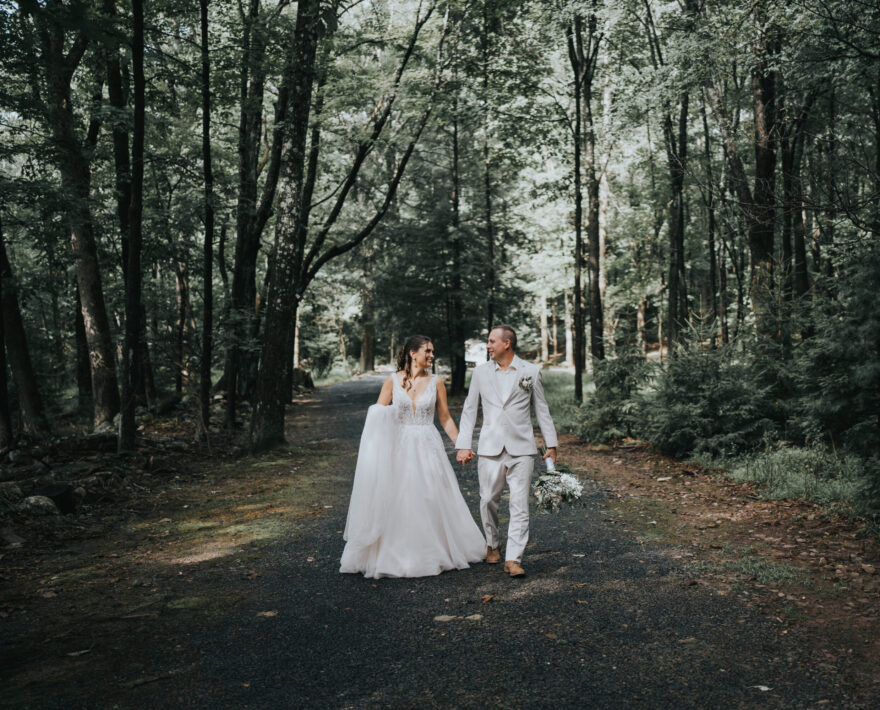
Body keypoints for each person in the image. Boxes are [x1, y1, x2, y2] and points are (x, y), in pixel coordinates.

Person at [340, 335, 486, 579]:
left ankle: (433, 550)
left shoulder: (436, 382)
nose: (431, 355)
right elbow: (377, 417)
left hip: (428, 444)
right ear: (412, 353)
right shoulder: (392, 381)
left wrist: (461, 445)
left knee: (430, 495)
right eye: (427, 351)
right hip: (398, 446)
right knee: (398, 497)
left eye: (432, 351)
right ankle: (396, 554)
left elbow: (446, 419)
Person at [456, 325, 558, 578]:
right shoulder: (480, 373)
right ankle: (492, 543)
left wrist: (551, 444)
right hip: (490, 447)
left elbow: (541, 410)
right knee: (488, 499)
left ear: (507, 344)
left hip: (522, 448)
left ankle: (514, 558)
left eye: (491, 341)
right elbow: (470, 410)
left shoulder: (530, 372)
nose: (488, 345)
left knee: (519, 504)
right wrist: (464, 444)